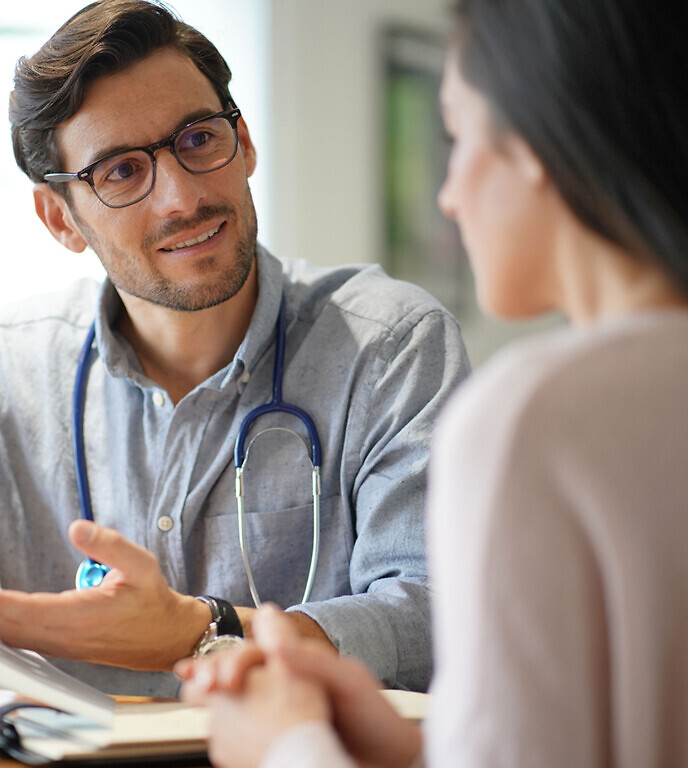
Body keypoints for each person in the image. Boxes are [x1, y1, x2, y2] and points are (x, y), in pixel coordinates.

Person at [0, 0, 470, 698]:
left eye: (199, 139)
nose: (181, 196)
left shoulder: (390, 347)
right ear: (60, 219)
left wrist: (200, 632)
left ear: (244, 141)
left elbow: (433, 618)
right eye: (120, 172)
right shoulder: (6, 370)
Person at [179, 0, 688, 765]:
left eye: (459, 137)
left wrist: (286, 744)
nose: (448, 195)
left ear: (537, 144)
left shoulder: (534, 416)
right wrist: (406, 747)